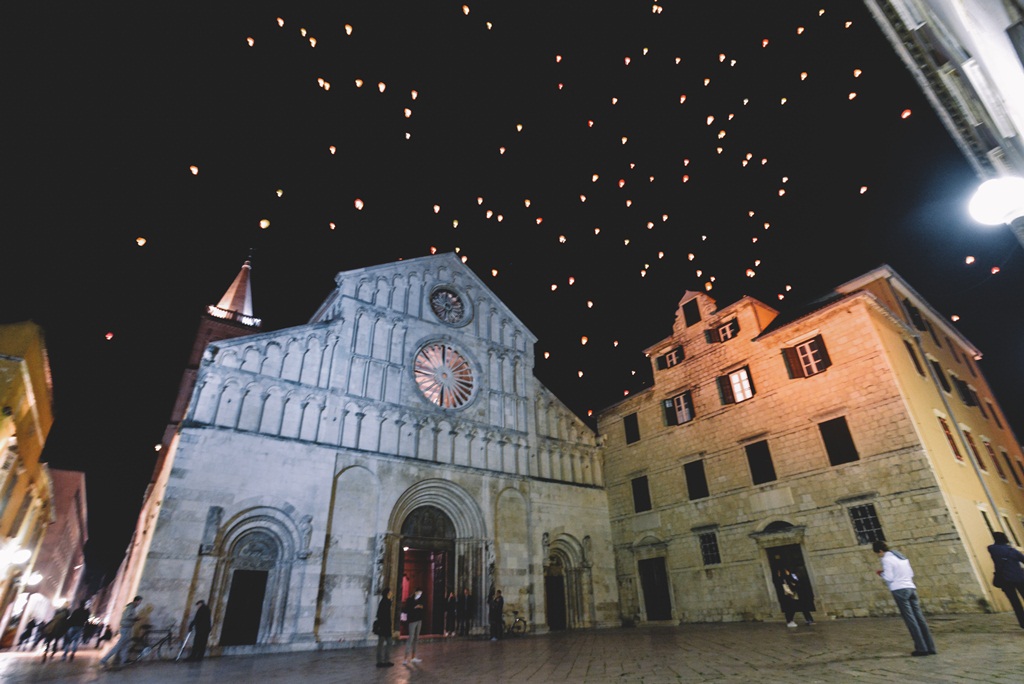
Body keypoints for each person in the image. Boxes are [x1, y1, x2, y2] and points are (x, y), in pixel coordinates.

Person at [873, 541, 936, 656]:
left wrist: (881, 573)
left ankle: (921, 648)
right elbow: (911, 573)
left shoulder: (886, 559)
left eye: (878, 553)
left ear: (880, 551)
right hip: (911, 587)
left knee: (910, 619)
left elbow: (889, 577)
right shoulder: (902, 557)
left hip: (899, 589)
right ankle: (930, 647)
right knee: (919, 618)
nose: (879, 556)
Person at [987, 531, 1024, 628]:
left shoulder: (992, 549)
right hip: (1019, 578)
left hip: (1005, 580)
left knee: (1015, 603)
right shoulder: (1012, 551)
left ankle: (1023, 622)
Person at [99, 595, 143, 669]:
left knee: (126, 645)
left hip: (128, 628)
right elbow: (127, 617)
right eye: (139, 602)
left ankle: (124, 660)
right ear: (136, 601)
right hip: (125, 628)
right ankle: (104, 660)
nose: (139, 603)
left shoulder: (132, 608)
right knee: (118, 646)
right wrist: (135, 618)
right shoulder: (130, 607)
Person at [402, 588, 425, 664]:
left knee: (416, 638)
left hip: (419, 620)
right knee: (411, 638)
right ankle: (405, 658)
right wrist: (414, 607)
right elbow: (406, 609)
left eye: (421, 593)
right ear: (415, 592)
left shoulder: (421, 600)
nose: (420, 594)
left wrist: (420, 607)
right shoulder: (410, 600)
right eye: (419, 593)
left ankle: (413, 656)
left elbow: (423, 607)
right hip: (412, 620)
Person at [374, 588, 395, 667]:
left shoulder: (387, 602)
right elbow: (380, 614)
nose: (391, 593)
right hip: (383, 626)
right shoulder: (384, 602)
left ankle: (386, 660)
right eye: (390, 592)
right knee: (381, 643)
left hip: (387, 626)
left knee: (389, 642)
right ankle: (379, 661)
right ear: (387, 593)